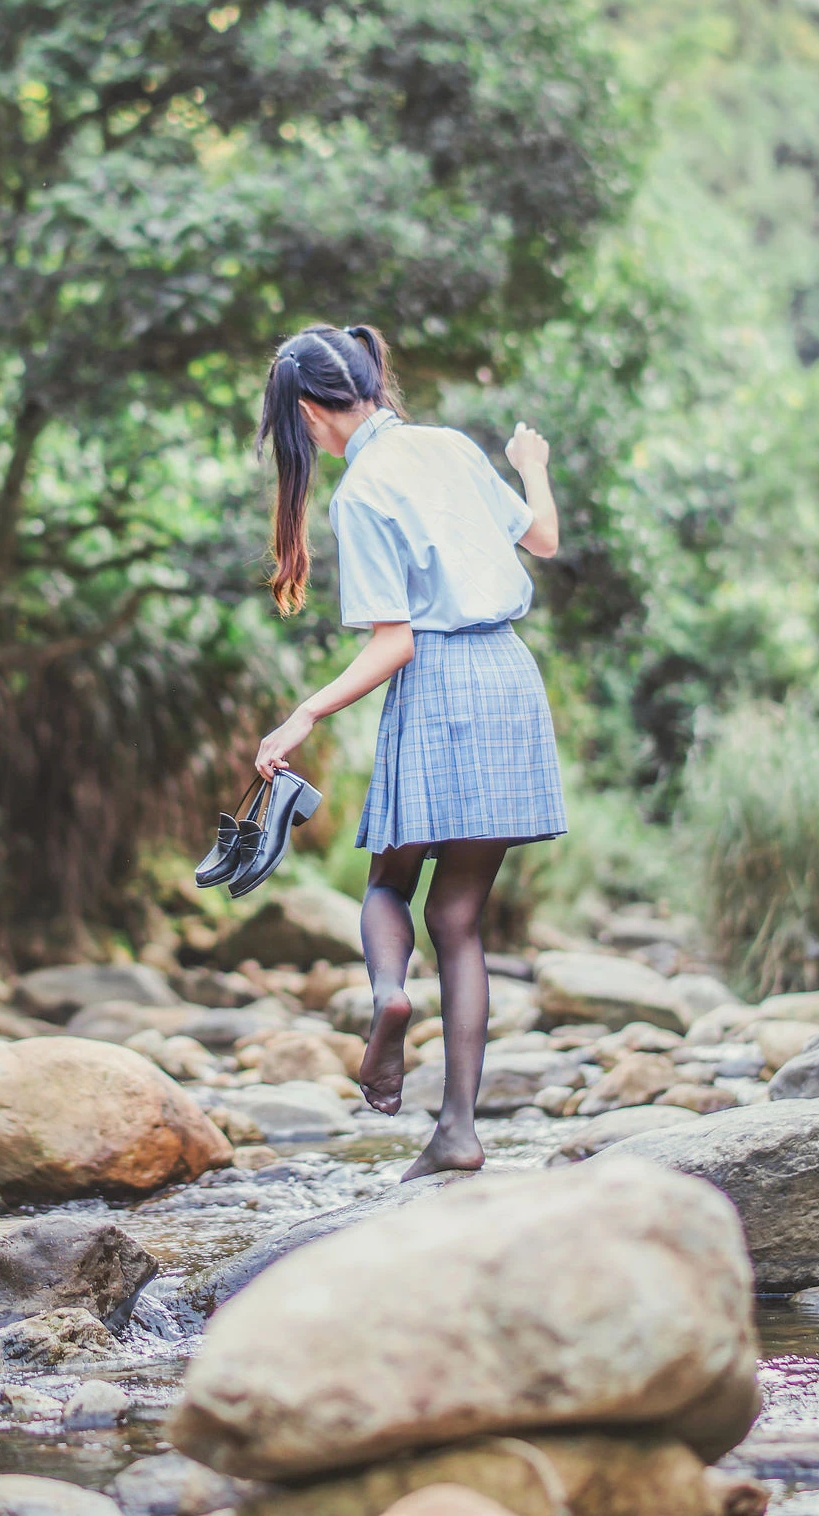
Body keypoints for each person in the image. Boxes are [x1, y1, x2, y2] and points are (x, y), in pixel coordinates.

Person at [250, 321, 565, 1179]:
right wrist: (532, 463)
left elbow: (397, 645)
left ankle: (391, 994)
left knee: (391, 883)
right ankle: (458, 1129)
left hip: (437, 693)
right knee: (459, 919)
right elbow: (542, 541)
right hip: (509, 676)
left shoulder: (361, 493)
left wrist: (303, 715)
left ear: (314, 411)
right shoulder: (450, 446)